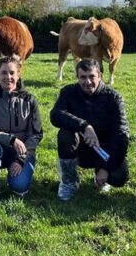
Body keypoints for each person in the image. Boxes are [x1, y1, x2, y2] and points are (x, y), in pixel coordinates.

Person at [49, 57, 128, 201]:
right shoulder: (68, 92)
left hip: (104, 149)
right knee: (65, 134)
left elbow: (121, 134)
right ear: (77, 77)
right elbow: (55, 115)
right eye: (83, 77)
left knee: (119, 177)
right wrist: (85, 126)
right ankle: (69, 181)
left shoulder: (114, 98)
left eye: (92, 76)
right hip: (80, 148)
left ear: (100, 76)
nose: (88, 82)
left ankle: (102, 176)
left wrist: (106, 167)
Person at [0, 55, 43, 204]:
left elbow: (36, 134)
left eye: (12, 73)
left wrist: (21, 159)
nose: (8, 77)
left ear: (19, 74)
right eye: (4, 73)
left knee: (19, 187)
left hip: (23, 152)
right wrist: (11, 139)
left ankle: (16, 177)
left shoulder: (29, 99)